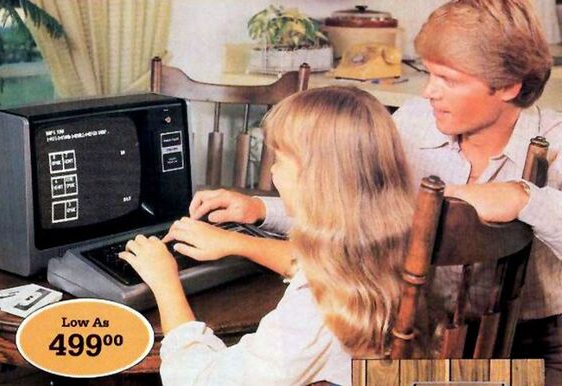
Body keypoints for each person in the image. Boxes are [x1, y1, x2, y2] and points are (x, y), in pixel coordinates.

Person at [187, 0, 562, 384]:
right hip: (422, 342)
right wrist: (259, 210)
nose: (429, 92)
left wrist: (521, 197)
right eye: (430, 74)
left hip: (531, 347)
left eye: (448, 79)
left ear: (509, 86)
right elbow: (353, 204)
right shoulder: (415, 122)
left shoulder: (556, 140)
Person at [119, 86, 416, 385]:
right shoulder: (384, 243)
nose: (272, 172)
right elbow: (317, 264)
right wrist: (236, 242)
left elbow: (200, 379)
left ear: (316, 181)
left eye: (281, 160)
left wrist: (165, 283)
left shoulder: (311, 314)